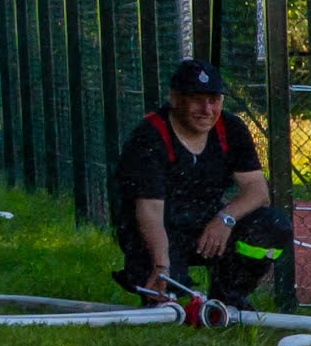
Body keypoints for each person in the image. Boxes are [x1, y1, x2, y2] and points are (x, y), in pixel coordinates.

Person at [113, 60, 269, 307]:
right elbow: (150, 211)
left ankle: (229, 296)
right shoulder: (149, 137)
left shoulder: (231, 129)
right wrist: (161, 265)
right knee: (169, 302)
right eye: (196, 100)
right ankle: (160, 281)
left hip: (207, 221)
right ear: (175, 99)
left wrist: (224, 219)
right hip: (158, 227)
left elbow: (258, 191)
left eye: (214, 100)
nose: (207, 110)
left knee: (272, 226)